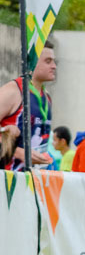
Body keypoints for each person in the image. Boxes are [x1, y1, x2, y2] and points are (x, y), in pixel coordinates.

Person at [0, 40, 56, 170]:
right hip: (7, 181)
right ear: (32, 63)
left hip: (34, 181)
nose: (54, 66)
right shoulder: (12, 92)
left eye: (54, 61)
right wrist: (20, 153)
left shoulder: (47, 98)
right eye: (48, 61)